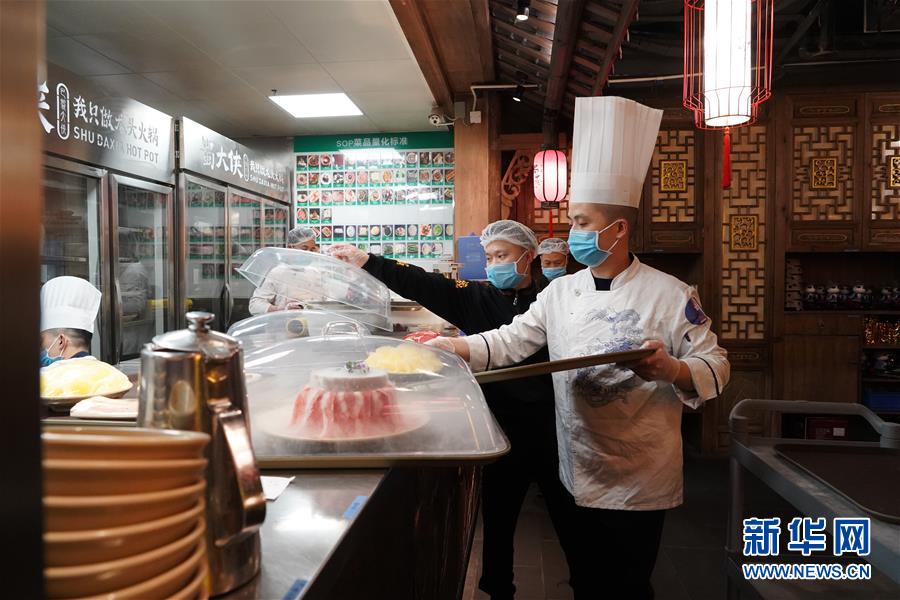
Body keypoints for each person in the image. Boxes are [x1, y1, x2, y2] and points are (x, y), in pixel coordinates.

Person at [428, 97, 730, 600]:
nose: (574, 235)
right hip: (578, 464)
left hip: (640, 471)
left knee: (630, 586)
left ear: (619, 228)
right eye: (573, 222)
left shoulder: (671, 293)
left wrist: (672, 369)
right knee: (587, 580)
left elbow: (715, 362)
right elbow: (511, 340)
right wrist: (454, 348)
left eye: (584, 223)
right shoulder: (559, 292)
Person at [331, 221, 574, 600]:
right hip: (500, 426)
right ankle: (498, 589)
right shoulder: (476, 297)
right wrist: (369, 261)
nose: (494, 264)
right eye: (490, 257)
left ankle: (585, 582)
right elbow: (425, 283)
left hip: (553, 427)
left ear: (529, 256)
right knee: (498, 516)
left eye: (503, 255)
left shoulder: (555, 299)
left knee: (569, 514)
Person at [248, 226, 320, 315]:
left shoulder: (316, 273)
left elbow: (326, 301)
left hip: (312, 321)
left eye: (312, 249)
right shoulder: (277, 272)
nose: (308, 253)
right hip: (285, 321)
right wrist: (281, 309)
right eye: (304, 248)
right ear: (290, 247)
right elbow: (255, 305)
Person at [40, 276, 102, 366]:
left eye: (42, 342)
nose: (41, 349)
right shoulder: (113, 373)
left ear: (61, 341)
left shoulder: (50, 374)